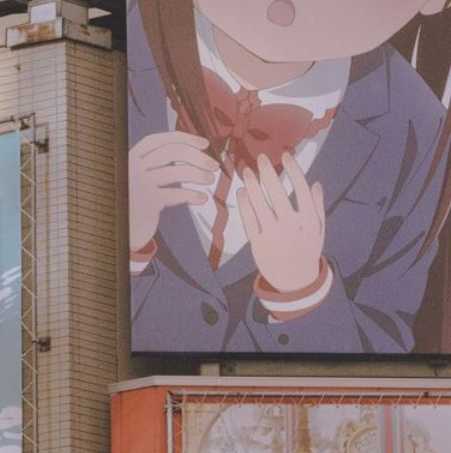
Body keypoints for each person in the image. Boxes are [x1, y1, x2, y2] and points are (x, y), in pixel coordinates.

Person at [127, 0, 451, 353]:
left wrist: (304, 293)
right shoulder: (121, 39)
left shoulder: (415, 125)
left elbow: (386, 337)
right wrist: (122, 241)